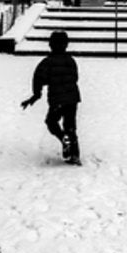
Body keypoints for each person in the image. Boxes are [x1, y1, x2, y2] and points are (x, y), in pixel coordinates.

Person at [21, 29, 81, 165]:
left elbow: (38, 79)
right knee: (71, 127)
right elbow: (75, 77)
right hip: (72, 98)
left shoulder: (47, 62)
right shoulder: (71, 60)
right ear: (66, 45)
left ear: (50, 44)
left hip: (57, 99)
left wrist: (35, 96)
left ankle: (63, 138)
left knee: (51, 122)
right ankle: (75, 155)